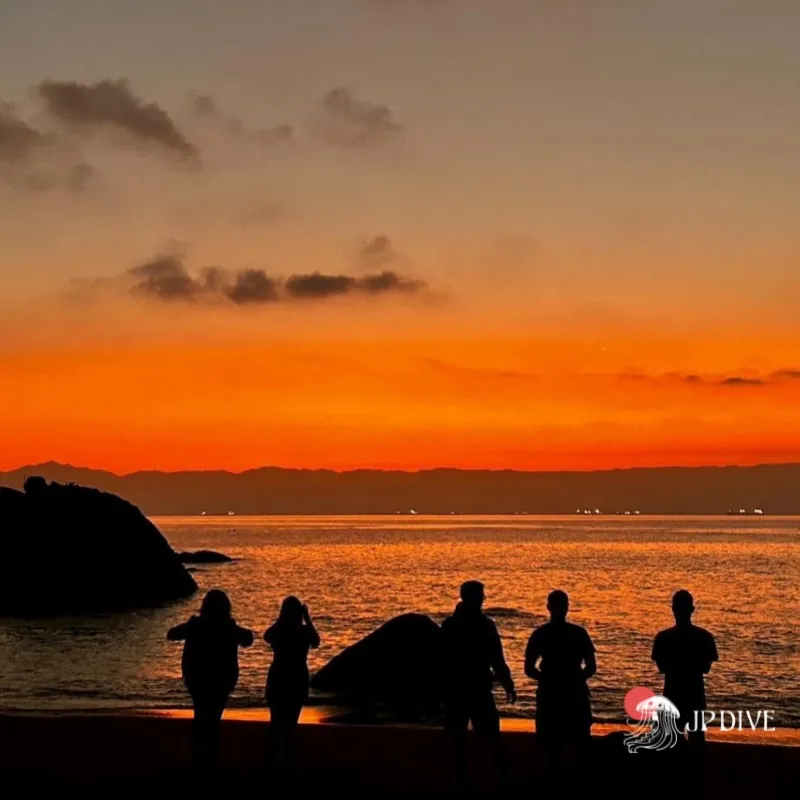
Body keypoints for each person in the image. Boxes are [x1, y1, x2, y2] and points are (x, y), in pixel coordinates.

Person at [167, 589, 254, 773]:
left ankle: (200, 760)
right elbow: (248, 639)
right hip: (221, 680)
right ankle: (210, 761)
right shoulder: (228, 627)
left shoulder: (197, 625)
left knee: (201, 718)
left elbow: (172, 633)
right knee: (213, 719)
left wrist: (192, 626)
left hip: (198, 679)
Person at [440, 580, 516, 791]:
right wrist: (507, 683)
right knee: (491, 737)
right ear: (475, 598)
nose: (483, 599)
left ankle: (459, 781)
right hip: (477, 689)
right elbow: (497, 659)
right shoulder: (485, 626)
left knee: (458, 739)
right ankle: (501, 782)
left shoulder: (450, 625)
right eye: (481, 596)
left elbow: (441, 660)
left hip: (456, 690)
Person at [525, 590, 596, 770]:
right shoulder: (578, 633)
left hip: (552, 694)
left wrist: (547, 679)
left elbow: (529, 668)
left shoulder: (540, 634)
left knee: (552, 747)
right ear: (567, 607)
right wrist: (575, 679)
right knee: (578, 743)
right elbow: (591, 667)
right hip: (573, 693)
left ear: (548, 607)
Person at [652, 590, 718, 745]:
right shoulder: (704, 637)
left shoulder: (663, 638)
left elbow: (662, 668)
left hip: (672, 696)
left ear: (673, 609)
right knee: (697, 741)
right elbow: (706, 668)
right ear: (692, 609)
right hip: (695, 696)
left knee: (670, 745)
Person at [264, 596, 320, 772]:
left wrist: (280, 620)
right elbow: (316, 642)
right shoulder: (303, 632)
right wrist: (307, 618)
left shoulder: (279, 630)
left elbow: (267, 636)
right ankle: (288, 764)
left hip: (278, 677)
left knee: (276, 723)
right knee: (291, 724)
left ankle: (272, 763)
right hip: (297, 678)